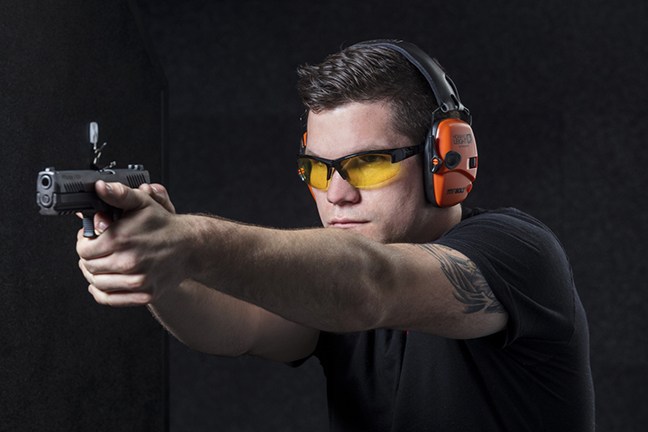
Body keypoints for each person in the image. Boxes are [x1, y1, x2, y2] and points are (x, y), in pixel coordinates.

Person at [76, 40, 595, 431]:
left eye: (367, 165)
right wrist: (160, 270)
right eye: (319, 171)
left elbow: (372, 284)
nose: (337, 194)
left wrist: (189, 241)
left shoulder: (518, 253)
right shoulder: (327, 286)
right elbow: (238, 329)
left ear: (446, 160)